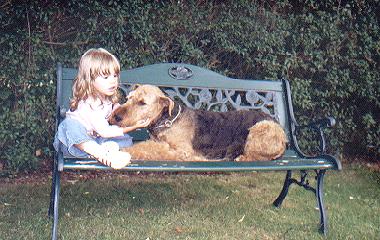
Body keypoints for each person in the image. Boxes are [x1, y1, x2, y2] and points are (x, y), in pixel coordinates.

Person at [53, 48, 149, 169]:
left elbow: (107, 123)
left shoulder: (107, 100)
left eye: (115, 75)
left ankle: (107, 151)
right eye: (105, 77)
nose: (113, 81)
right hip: (75, 144)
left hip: (96, 141)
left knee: (126, 140)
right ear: (90, 80)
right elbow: (105, 131)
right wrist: (133, 127)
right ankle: (102, 154)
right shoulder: (88, 103)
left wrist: (116, 110)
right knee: (70, 125)